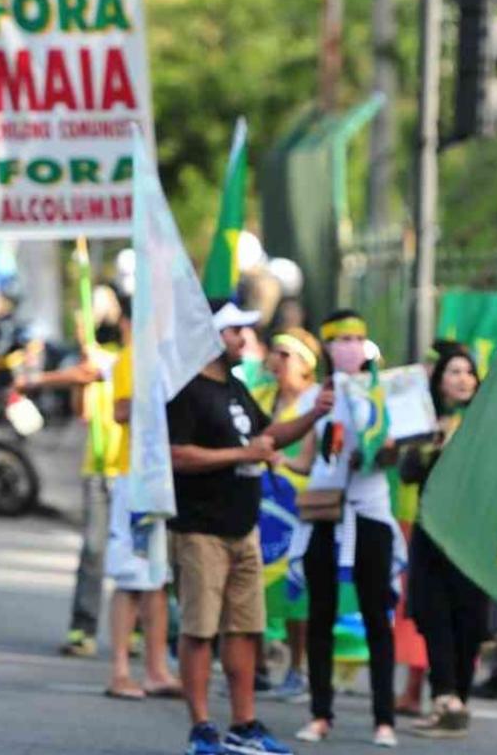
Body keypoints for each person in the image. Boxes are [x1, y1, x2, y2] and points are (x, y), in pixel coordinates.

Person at [166, 300, 334, 755]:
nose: (243, 339)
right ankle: (201, 728)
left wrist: (314, 414)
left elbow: (269, 437)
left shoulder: (235, 390)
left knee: (245, 629)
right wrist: (243, 456)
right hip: (200, 528)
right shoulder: (186, 391)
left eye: (244, 331)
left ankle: (244, 724)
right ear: (209, 335)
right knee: (200, 630)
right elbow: (177, 455)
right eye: (233, 331)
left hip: (243, 529)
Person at [292, 310, 402, 748]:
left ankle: (384, 718)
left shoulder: (383, 395)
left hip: (370, 513)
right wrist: (275, 458)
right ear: (327, 347)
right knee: (321, 614)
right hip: (326, 513)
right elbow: (304, 457)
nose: (352, 346)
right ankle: (320, 713)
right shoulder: (315, 398)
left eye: (359, 337)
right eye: (343, 339)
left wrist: (380, 450)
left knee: (377, 615)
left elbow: (397, 450)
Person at [14, 286, 127, 658]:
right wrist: (82, 370)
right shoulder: (95, 360)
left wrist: (35, 380)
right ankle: (84, 627)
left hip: (131, 469)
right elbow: (83, 408)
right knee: (94, 551)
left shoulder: (125, 359)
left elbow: (87, 371)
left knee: (140, 560)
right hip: (97, 466)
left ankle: (142, 629)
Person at [399, 347, 488, 737]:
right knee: (434, 617)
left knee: (468, 621)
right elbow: (406, 472)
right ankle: (444, 698)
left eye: (469, 371)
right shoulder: (426, 422)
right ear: (440, 380)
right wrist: (431, 444)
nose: (463, 378)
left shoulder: (488, 425)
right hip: (431, 535)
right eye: (454, 371)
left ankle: (458, 701)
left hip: (472, 539)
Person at [100, 294, 182, 699]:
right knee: (131, 577)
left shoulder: (170, 359)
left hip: (164, 478)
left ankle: (155, 670)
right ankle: (119, 670)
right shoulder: (134, 357)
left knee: (158, 580)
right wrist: (157, 398)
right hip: (133, 478)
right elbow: (119, 410)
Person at [249, 329, 324, 699]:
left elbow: (310, 459)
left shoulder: (315, 401)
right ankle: (257, 663)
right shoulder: (263, 395)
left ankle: (298, 668)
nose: (276, 360)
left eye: (286, 354)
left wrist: (283, 461)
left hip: (296, 507)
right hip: (260, 503)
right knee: (253, 581)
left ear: (306, 367)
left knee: (295, 586)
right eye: (274, 353)